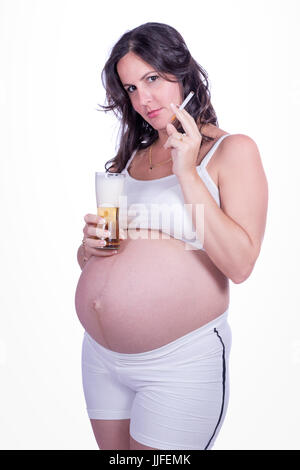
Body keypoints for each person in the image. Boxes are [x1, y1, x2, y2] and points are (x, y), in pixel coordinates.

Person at [75, 22, 268, 450]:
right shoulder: (133, 157)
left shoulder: (231, 151)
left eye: (152, 79)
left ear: (181, 71)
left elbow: (240, 264)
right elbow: (115, 257)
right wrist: (87, 249)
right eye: (130, 88)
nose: (143, 99)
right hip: (103, 360)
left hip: (180, 361)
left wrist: (186, 171)